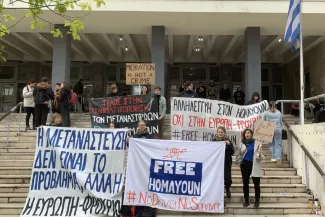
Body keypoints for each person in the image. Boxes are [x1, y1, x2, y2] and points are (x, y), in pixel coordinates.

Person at [238, 129, 262, 208]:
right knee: (245, 183)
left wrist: (259, 153)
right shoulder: (242, 143)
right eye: (245, 133)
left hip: (254, 164)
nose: (246, 134)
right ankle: (246, 200)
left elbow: (259, 155)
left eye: (248, 133)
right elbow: (239, 154)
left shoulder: (256, 143)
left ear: (251, 134)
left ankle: (257, 201)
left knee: (256, 183)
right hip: (245, 164)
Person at [212, 126, 234, 199]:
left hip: (226, 163)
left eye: (222, 132)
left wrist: (229, 145)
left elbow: (232, 152)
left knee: (227, 179)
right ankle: (220, 196)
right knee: (218, 180)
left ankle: (227, 188)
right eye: (219, 132)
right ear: (217, 133)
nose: (220, 133)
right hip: (217, 164)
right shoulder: (214, 141)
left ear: (224, 133)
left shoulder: (227, 141)